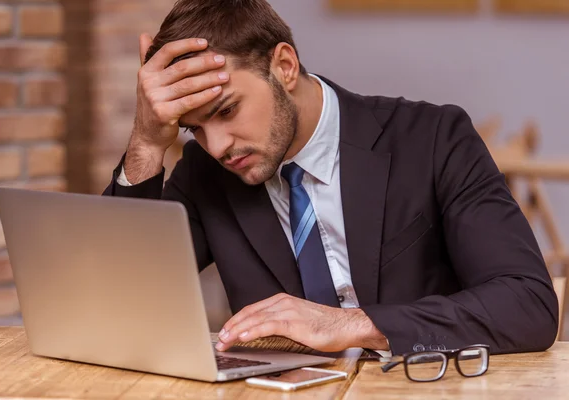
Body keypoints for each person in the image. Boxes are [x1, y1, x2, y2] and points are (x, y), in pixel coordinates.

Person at [103, 0, 559, 355]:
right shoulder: (207, 172)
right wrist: (146, 142)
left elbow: (528, 306)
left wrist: (350, 324)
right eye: (195, 127)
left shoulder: (433, 139)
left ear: (284, 66)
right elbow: (123, 305)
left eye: (226, 110)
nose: (217, 145)